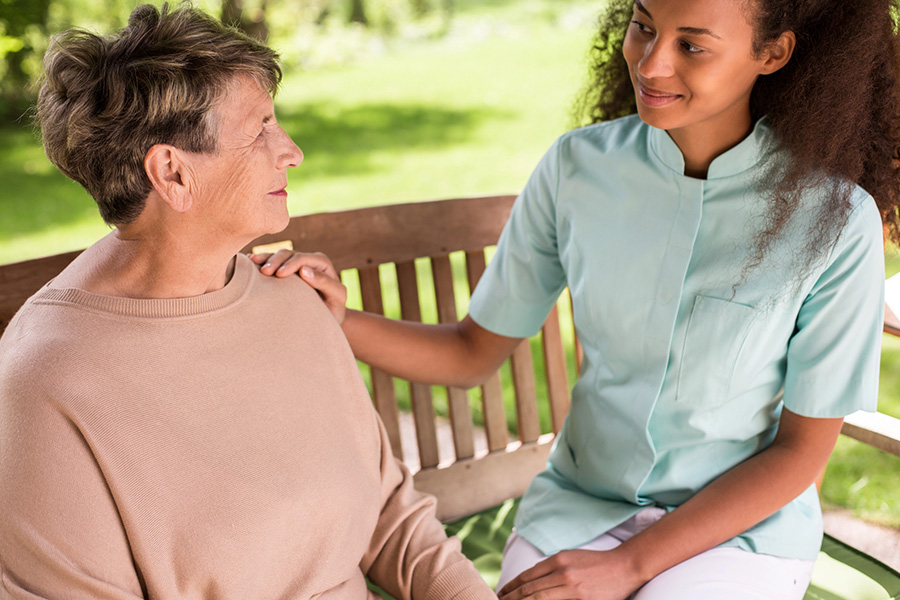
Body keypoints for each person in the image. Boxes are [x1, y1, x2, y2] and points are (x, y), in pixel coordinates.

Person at [252, 0, 900, 598]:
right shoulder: (576, 169)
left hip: (735, 533)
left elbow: (800, 453)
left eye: (692, 46)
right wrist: (337, 316)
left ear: (773, 53)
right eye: (643, 25)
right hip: (579, 510)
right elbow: (470, 354)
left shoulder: (836, 221)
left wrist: (631, 566)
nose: (652, 63)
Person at [0, 4, 497, 599]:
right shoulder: (46, 382)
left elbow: (390, 516)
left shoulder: (292, 298)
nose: (291, 150)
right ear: (173, 174)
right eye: (259, 128)